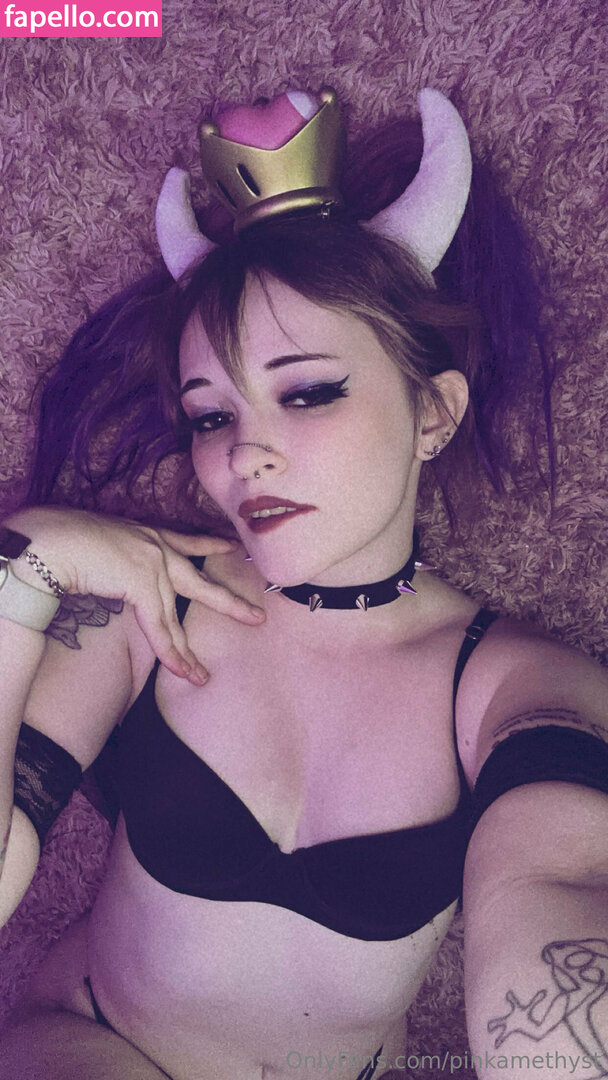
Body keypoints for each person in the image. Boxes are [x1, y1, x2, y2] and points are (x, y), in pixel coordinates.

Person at [0, 86, 607, 1080]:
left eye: (309, 391)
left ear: (432, 413)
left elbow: (565, 882)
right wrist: (25, 561)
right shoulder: (151, 606)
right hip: (91, 1043)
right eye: (210, 415)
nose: (246, 455)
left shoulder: (510, 684)